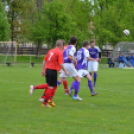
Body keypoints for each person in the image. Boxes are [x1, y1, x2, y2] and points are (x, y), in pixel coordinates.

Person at [29, 40, 68, 108]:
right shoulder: (59, 52)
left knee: (52, 85)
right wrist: (65, 70)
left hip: (48, 70)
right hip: (52, 71)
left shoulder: (50, 51)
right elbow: (60, 63)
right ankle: (44, 102)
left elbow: (45, 61)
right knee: (50, 87)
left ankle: (49, 99)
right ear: (61, 46)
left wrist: (43, 70)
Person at [57, 36, 82, 101]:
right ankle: (75, 95)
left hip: (64, 64)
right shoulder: (73, 48)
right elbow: (69, 56)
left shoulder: (66, 48)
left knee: (59, 81)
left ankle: (48, 92)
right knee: (78, 78)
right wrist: (75, 60)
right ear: (76, 42)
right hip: (69, 65)